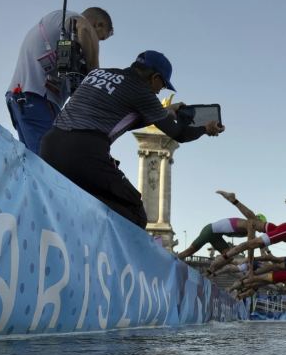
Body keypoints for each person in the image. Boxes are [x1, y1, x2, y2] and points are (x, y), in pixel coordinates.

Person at [40, 50, 224, 228]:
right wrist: (205, 129)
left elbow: (121, 114)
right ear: (155, 78)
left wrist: (166, 111)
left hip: (50, 145)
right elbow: (180, 134)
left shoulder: (98, 73)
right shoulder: (141, 91)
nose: (161, 91)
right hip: (84, 151)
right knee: (135, 212)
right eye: (163, 85)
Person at [6, 7, 114, 154]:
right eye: (100, 38)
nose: (97, 43)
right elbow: (84, 27)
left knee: (35, 165)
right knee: (51, 162)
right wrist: (94, 75)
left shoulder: (62, 30)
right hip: (38, 99)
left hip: (22, 99)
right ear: (98, 25)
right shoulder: (71, 18)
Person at [177, 190, 273, 259]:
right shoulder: (250, 224)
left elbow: (258, 243)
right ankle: (172, 259)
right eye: (263, 226)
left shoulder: (251, 230)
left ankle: (211, 271)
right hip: (209, 230)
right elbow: (251, 244)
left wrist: (267, 252)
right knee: (189, 251)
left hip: (217, 236)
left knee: (228, 257)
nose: (263, 229)